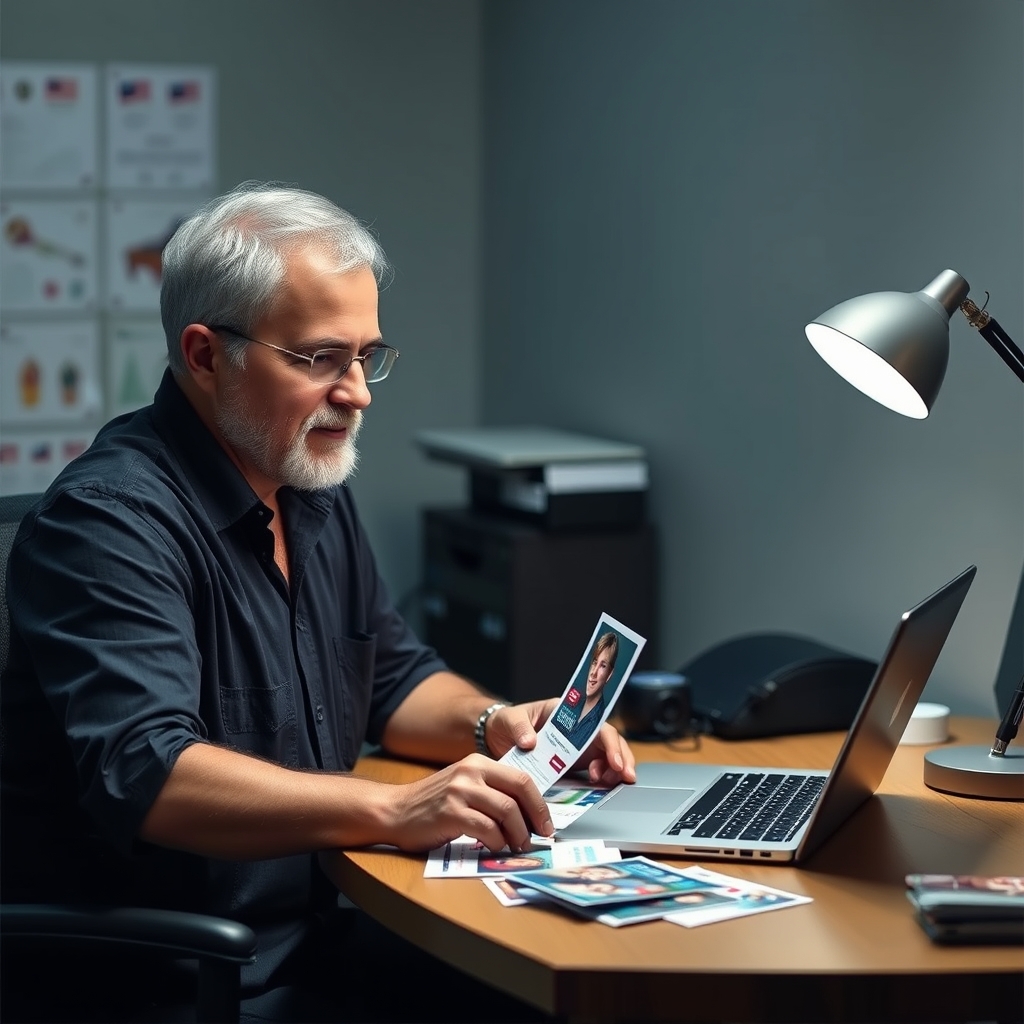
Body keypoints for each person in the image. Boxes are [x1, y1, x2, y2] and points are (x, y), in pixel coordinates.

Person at [0, 181, 636, 1023]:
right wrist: (395, 808)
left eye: (367, 356)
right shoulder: (107, 521)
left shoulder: (307, 485)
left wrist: (501, 724)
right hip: (180, 975)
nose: (358, 391)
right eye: (319, 358)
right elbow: (149, 774)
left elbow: (395, 679)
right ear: (203, 355)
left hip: (321, 934)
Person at [552, 630, 619, 748]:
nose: (594, 673)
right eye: (594, 662)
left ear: (609, 674)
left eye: (603, 666)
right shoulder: (575, 703)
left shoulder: (596, 719)